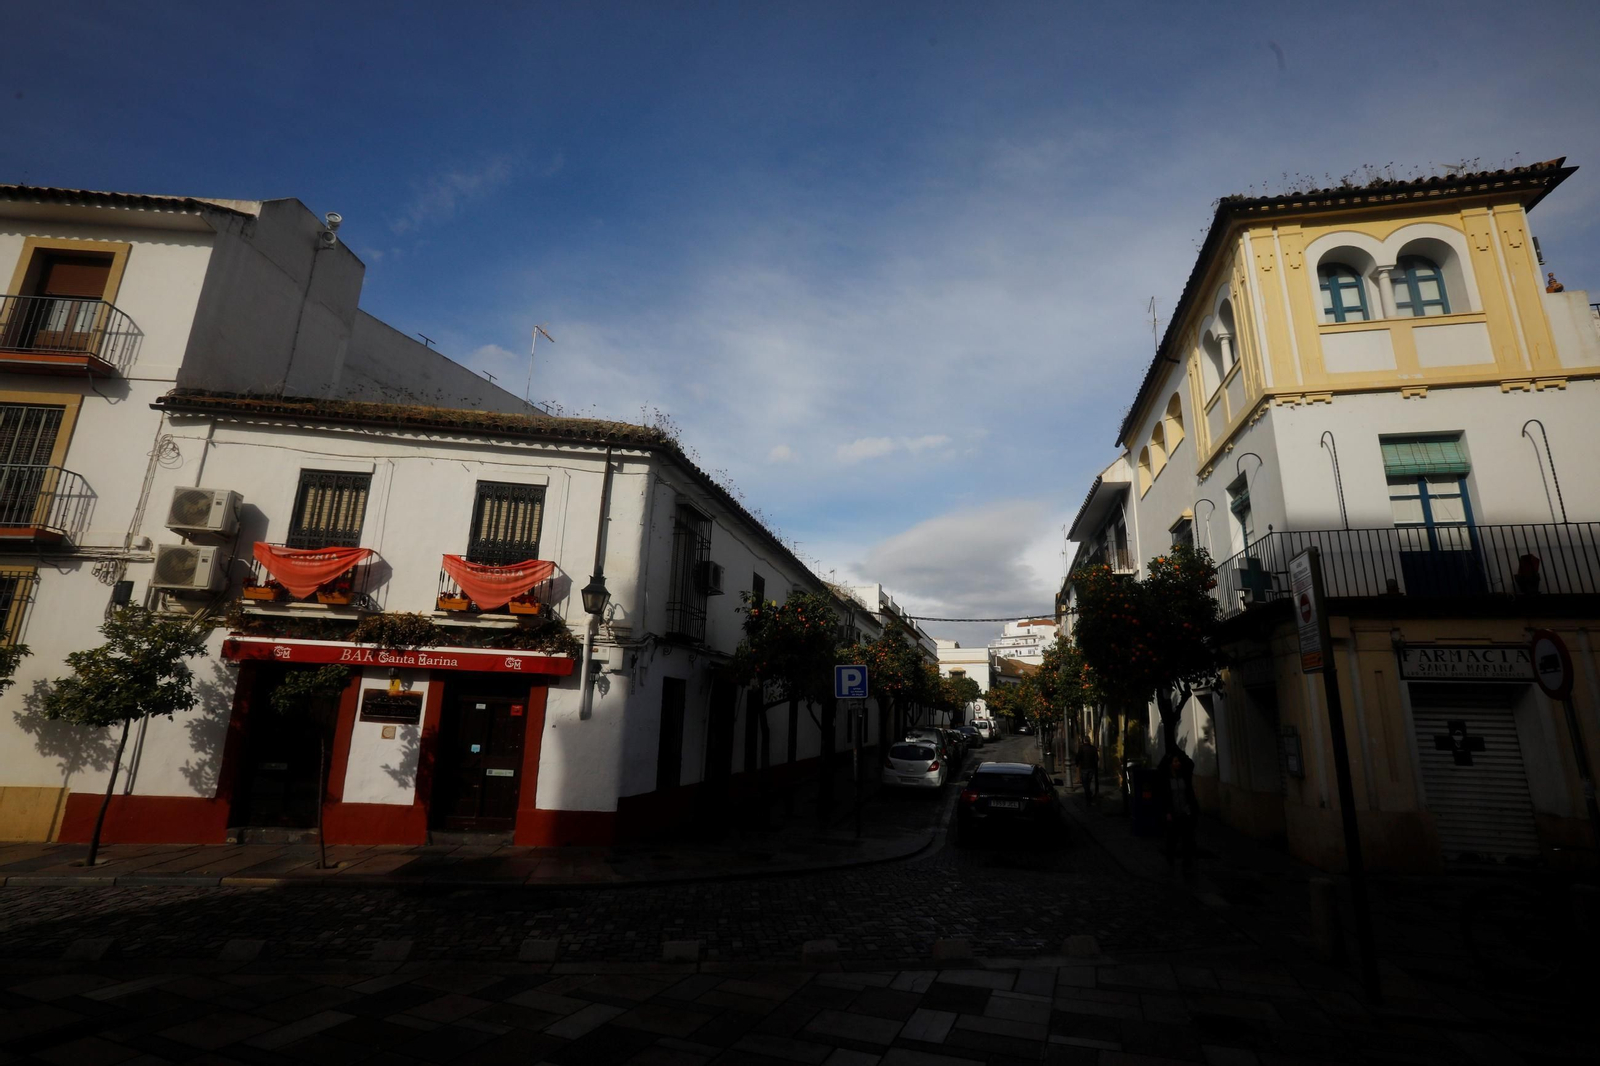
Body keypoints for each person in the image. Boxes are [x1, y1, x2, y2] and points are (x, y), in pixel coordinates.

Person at [1158, 753, 1198, 870]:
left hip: (1185, 812)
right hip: (1173, 813)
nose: (1178, 763)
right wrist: (1167, 812)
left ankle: (1187, 861)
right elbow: (1164, 797)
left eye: (1178, 761)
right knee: (1172, 839)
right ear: (1170, 764)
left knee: (1187, 838)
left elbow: (1190, 764)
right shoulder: (1166, 779)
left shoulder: (1185, 776)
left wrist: (1179, 752)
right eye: (1175, 762)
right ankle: (1170, 860)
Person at [1074, 737, 1099, 804]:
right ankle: (1089, 794)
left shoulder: (1081, 748)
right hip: (1091, 768)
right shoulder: (1093, 748)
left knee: (1085, 783)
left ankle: (1088, 795)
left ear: (1084, 741)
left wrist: (1076, 763)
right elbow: (1096, 758)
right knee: (1088, 782)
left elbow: (1078, 756)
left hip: (1084, 768)